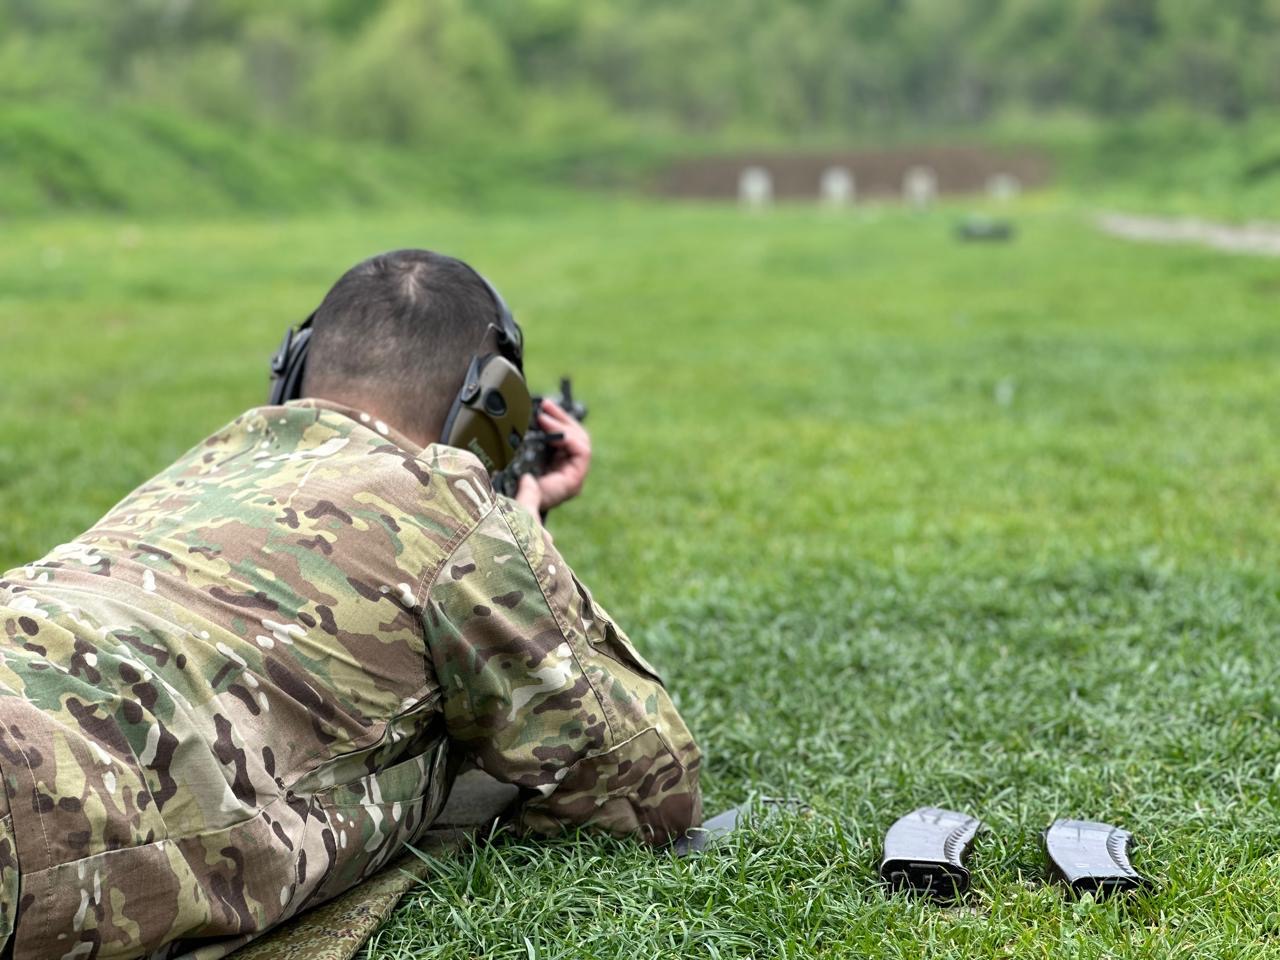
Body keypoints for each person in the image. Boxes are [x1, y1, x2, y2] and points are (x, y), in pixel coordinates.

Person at [0, 249, 702, 958]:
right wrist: (512, 536)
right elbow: (644, 789)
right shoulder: (446, 502)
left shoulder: (207, 462)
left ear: (296, 369)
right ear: (493, 407)